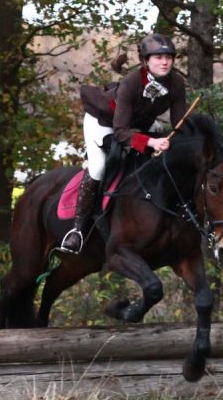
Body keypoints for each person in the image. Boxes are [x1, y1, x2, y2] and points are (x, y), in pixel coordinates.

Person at [59, 33, 187, 254]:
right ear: (146, 61)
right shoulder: (131, 82)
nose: (165, 62)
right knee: (99, 168)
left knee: (163, 141)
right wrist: (151, 142)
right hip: (104, 122)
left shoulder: (176, 82)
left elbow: (179, 125)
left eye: (168, 57)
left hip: (138, 121)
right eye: (158, 57)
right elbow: (120, 132)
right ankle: (77, 230)